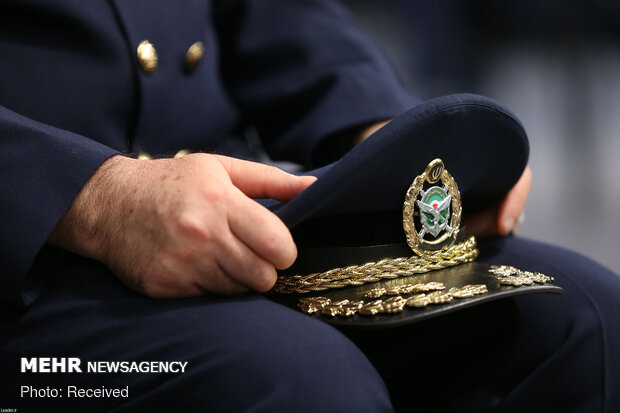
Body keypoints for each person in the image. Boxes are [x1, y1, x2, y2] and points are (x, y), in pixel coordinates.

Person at [0, 1, 618, 412]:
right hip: (33, 264)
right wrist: (95, 198)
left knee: (585, 316)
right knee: (308, 387)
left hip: (250, 219)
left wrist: (381, 127)